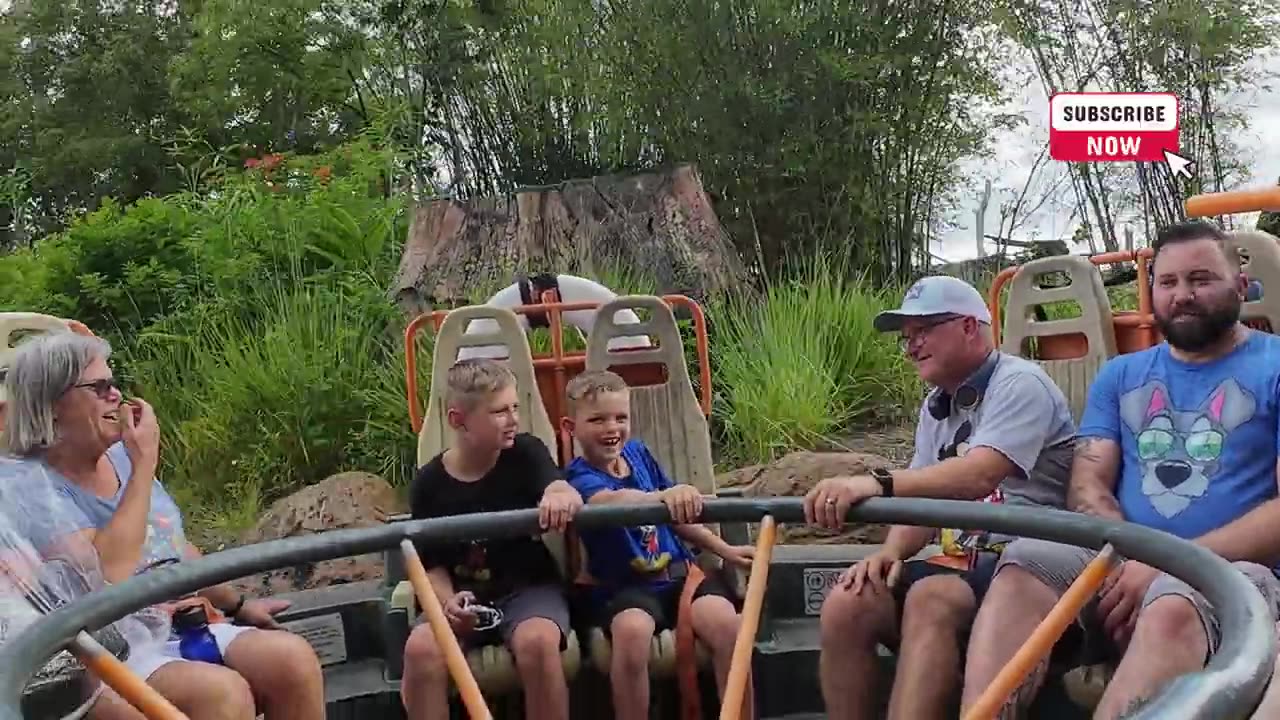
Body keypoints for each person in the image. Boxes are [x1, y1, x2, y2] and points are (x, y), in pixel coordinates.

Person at [960, 220, 1280, 720]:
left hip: (1236, 573)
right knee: (1026, 560)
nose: (1183, 295)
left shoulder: (1275, 367)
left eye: (1201, 279)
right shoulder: (1122, 374)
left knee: (1174, 601)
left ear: (1240, 287)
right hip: (1123, 559)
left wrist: (1169, 562)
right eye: (1168, 282)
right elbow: (1087, 482)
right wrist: (1130, 555)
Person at [1, 332, 324, 720]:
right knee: (222, 695)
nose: (115, 395)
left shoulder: (122, 457)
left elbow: (173, 548)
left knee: (293, 660)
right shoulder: (29, 486)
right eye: (99, 387)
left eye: (114, 383)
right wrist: (144, 465)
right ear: (52, 404)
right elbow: (108, 576)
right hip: (112, 648)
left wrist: (238, 604)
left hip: (176, 623)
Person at [803, 275, 1076, 720]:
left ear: (970, 327)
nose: (912, 345)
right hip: (965, 561)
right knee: (848, 601)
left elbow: (978, 475)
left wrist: (875, 483)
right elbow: (925, 492)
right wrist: (890, 552)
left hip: (1029, 561)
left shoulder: (1020, 383)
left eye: (924, 330)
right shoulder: (937, 405)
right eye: (907, 337)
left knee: (932, 597)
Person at [561, 370, 754, 720]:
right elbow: (610, 500)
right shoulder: (577, 476)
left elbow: (675, 519)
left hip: (679, 577)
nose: (612, 428)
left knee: (728, 624)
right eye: (597, 419)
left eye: (621, 418)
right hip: (625, 586)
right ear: (570, 427)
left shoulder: (638, 454)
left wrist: (726, 551)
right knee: (631, 634)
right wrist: (663, 495)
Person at [400, 358, 583, 720]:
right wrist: (448, 602)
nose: (513, 419)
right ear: (458, 420)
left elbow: (560, 486)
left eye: (515, 407)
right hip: (464, 595)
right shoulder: (429, 485)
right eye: (499, 411)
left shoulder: (526, 453)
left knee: (538, 643)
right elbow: (430, 565)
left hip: (527, 588)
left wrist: (559, 494)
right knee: (421, 649)